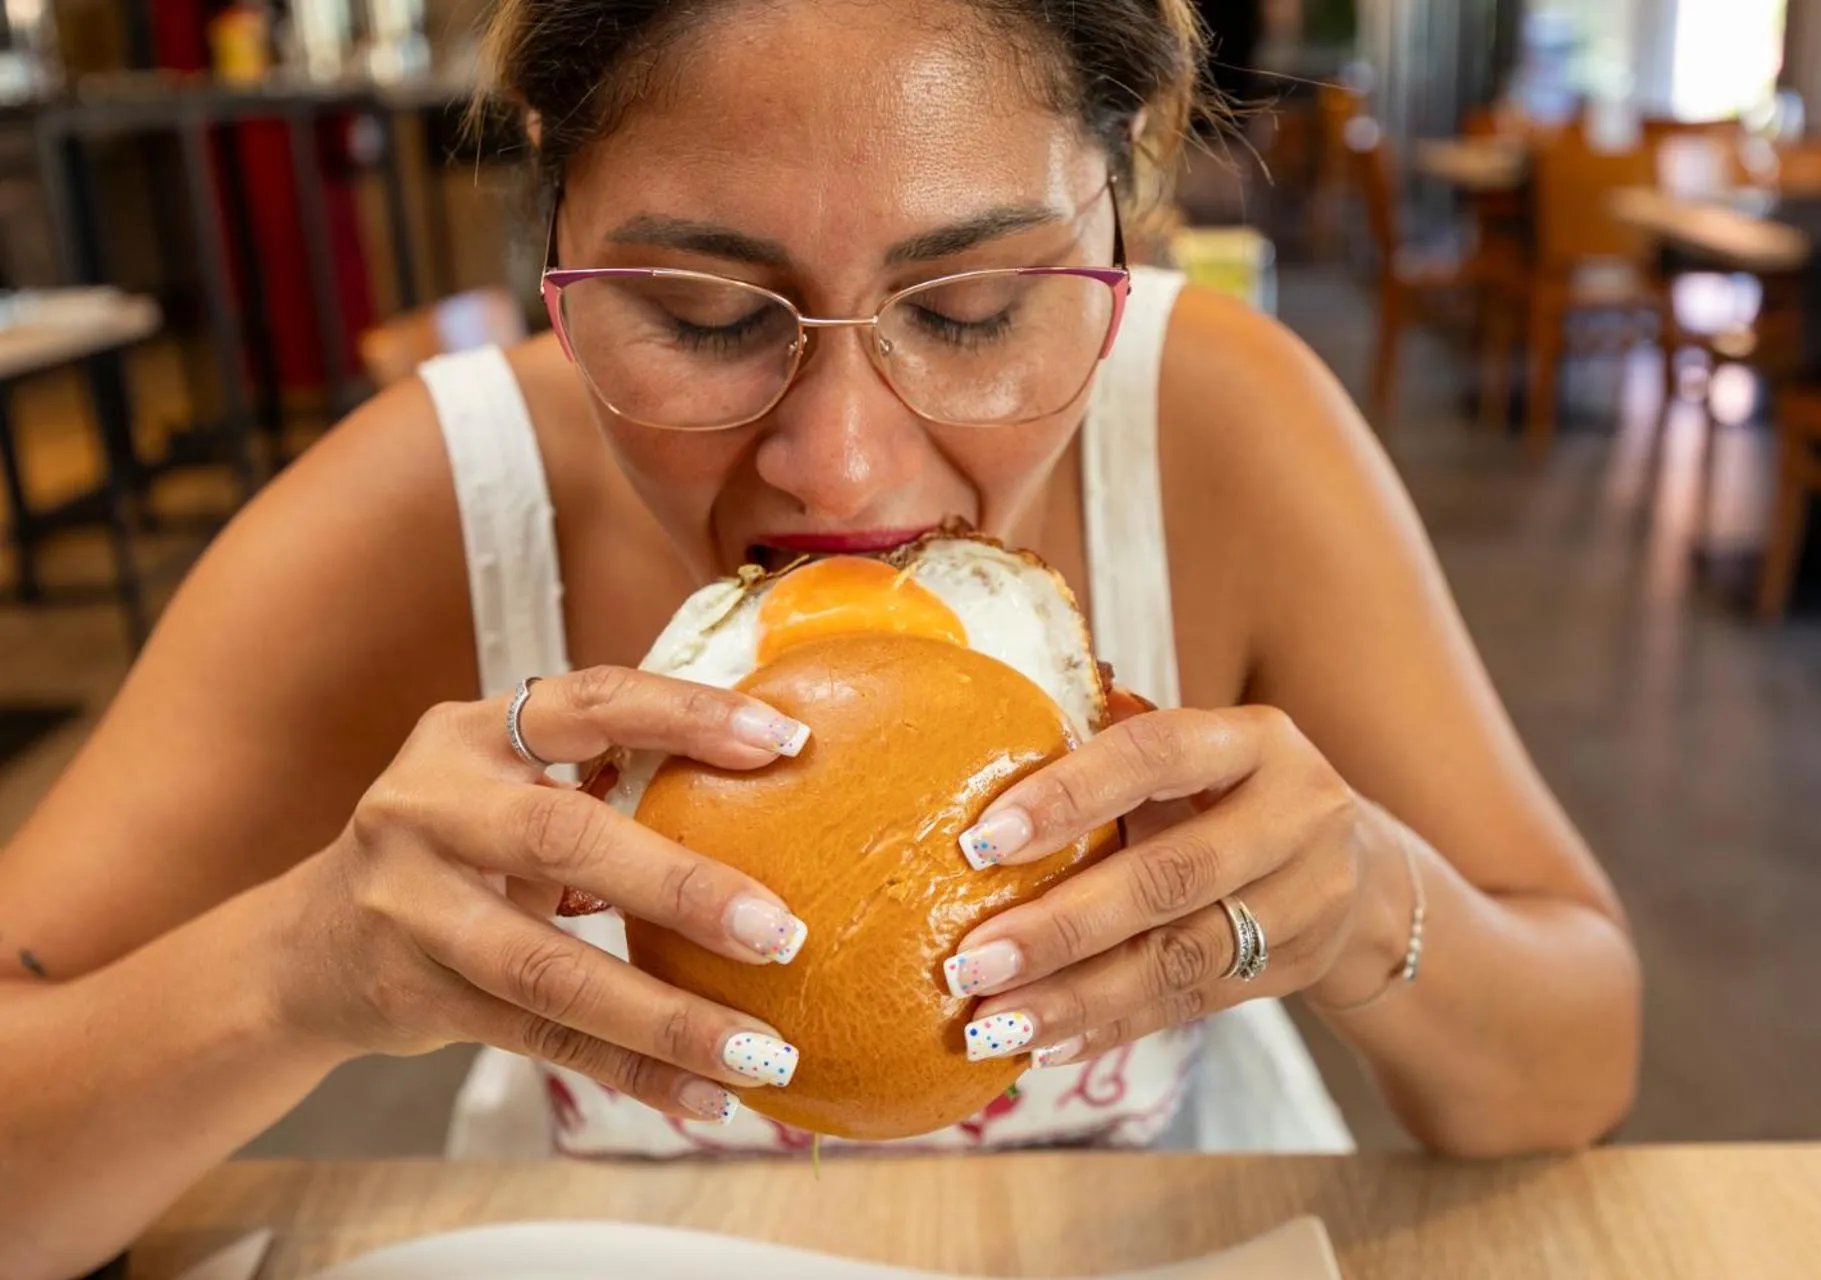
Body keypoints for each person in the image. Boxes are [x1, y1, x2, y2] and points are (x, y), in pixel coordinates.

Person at [0, 0, 1642, 1273]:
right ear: (553, 213)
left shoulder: (1228, 431)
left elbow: (1576, 1061)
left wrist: (1365, 909)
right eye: (704, 317)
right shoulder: (435, 504)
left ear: (1121, 203)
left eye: (980, 307)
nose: (843, 466)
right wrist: (299, 969)